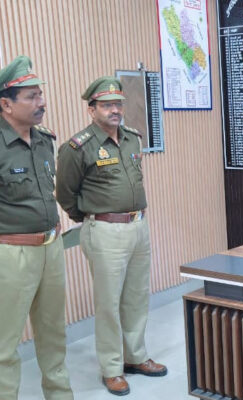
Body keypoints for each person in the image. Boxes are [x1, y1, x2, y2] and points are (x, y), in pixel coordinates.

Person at [55, 77, 166, 396]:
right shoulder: (78, 147)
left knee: (136, 296)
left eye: (118, 104)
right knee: (108, 303)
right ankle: (112, 368)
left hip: (138, 226)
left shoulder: (132, 139)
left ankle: (136, 357)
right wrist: (92, 219)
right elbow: (65, 193)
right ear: (92, 110)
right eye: (107, 105)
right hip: (105, 231)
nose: (115, 110)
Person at [0, 56, 73, 400]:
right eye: (31, 96)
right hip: (11, 254)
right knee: (4, 344)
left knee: (53, 334)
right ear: (6, 104)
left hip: (51, 248)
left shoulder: (45, 140)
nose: (41, 102)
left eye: (40, 94)